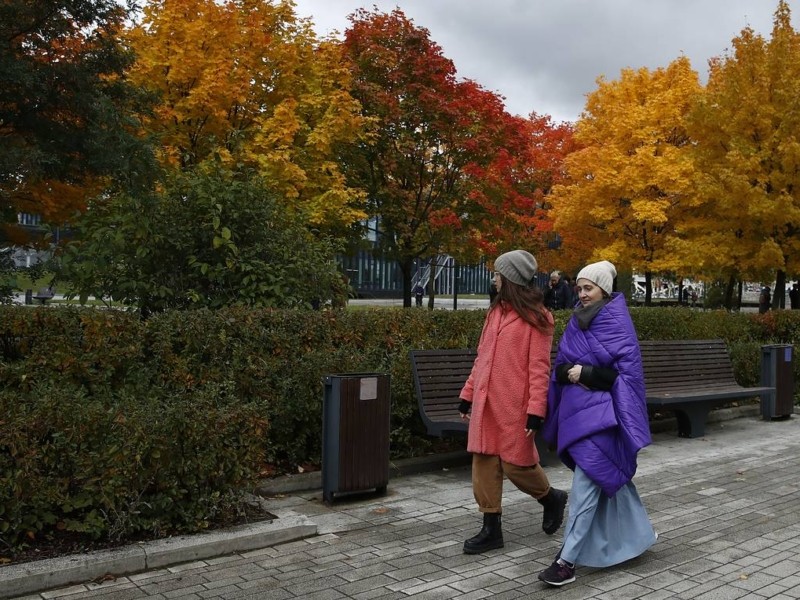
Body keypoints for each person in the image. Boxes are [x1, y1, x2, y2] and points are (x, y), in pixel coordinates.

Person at [538, 260, 656, 586]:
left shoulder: (618, 323)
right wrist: (571, 373)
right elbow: (560, 368)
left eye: (588, 288)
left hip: (603, 421)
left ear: (604, 288)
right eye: (579, 288)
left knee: (586, 488)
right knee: (608, 475)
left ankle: (566, 562)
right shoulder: (577, 321)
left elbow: (627, 378)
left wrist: (585, 373)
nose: (582, 293)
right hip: (579, 416)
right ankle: (639, 536)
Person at [458, 249, 568, 555]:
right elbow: (482, 358)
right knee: (483, 460)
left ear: (509, 279)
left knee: (516, 464)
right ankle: (491, 528)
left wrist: (536, 409)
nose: (494, 279)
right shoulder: (495, 312)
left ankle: (550, 498)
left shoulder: (538, 317)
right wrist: (467, 395)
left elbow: (539, 368)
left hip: (513, 405)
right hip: (485, 401)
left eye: (497, 274)